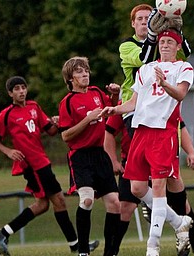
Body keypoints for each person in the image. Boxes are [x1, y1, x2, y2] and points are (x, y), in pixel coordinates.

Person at [118, 4, 194, 255]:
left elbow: (181, 53)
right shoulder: (130, 48)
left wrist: (174, 25)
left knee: (175, 190)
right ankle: (180, 225)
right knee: (144, 187)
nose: (147, 22)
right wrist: (156, 37)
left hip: (164, 124)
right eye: (142, 19)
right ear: (134, 24)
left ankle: (183, 241)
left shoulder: (178, 62)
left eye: (150, 17)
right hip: (140, 118)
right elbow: (146, 58)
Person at [101, 29, 194, 256]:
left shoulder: (183, 68)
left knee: (160, 188)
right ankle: (178, 222)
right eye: (162, 41)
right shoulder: (145, 69)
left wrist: (165, 84)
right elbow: (133, 102)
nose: (164, 45)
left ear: (178, 46)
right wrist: (115, 108)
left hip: (163, 133)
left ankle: (152, 246)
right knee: (137, 188)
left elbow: (180, 94)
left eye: (170, 42)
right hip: (140, 132)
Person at [0, 76, 99, 256]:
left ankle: (3, 232)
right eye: (16, 89)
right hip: (31, 165)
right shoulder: (7, 114)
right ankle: (75, 245)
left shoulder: (34, 107)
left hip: (42, 161)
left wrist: (56, 121)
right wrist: (8, 151)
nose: (21, 91)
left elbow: (51, 131)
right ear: (10, 93)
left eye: (23, 87)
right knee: (59, 201)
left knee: (42, 204)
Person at [104, 103, 194, 255]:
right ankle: (112, 251)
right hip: (134, 156)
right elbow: (109, 131)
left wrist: (191, 152)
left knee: (180, 201)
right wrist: (113, 160)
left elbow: (180, 124)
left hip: (161, 153)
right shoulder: (129, 99)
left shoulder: (164, 98)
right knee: (129, 202)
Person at [58, 56, 121, 256]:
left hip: (100, 154)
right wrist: (87, 119)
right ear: (70, 78)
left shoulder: (95, 92)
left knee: (115, 203)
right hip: (80, 157)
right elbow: (66, 135)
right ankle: (83, 252)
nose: (84, 74)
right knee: (87, 200)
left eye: (86, 70)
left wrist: (114, 95)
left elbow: (108, 112)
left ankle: (109, 252)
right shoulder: (67, 102)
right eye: (78, 71)